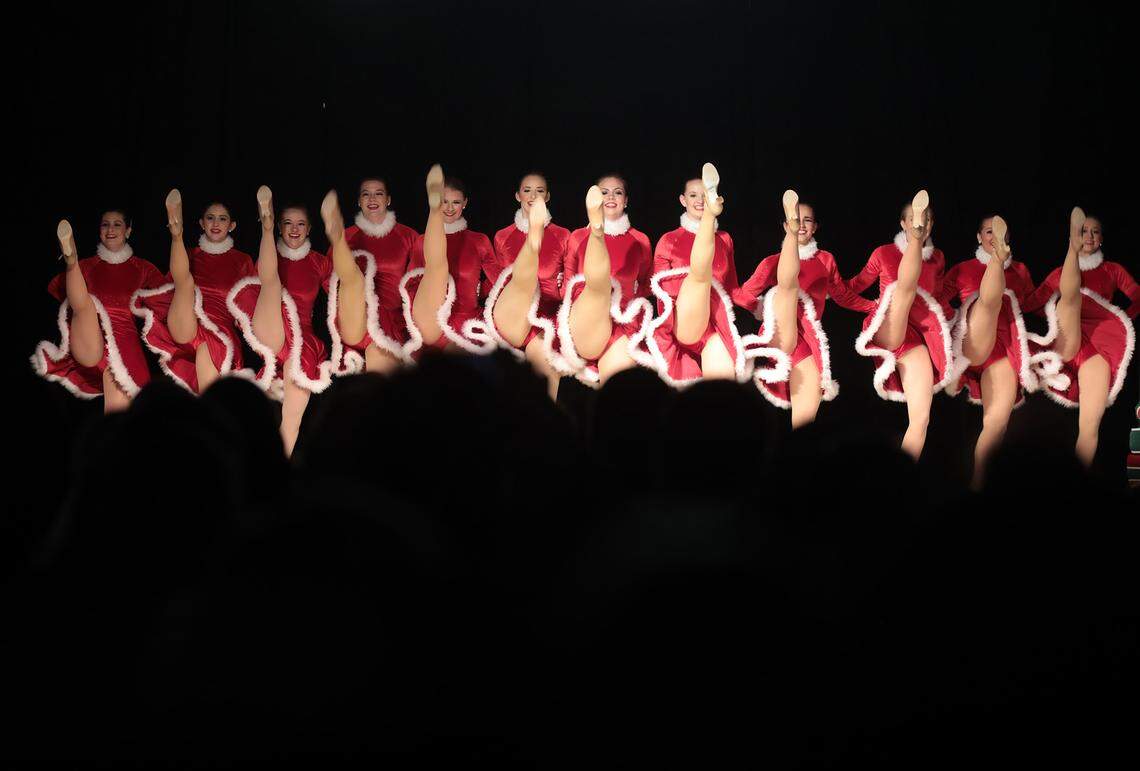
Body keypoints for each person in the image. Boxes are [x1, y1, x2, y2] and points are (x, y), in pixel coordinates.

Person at [738, 193, 875, 426]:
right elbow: (744, 295)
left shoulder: (826, 260)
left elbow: (842, 295)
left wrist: (873, 306)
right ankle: (785, 284)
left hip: (807, 340)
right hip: (781, 330)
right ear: (785, 225)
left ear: (815, 227)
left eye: (807, 220)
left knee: (805, 418)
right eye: (795, 220)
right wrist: (762, 309)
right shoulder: (773, 262)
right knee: (788, 287)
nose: (801, 225)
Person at [645, 164, 787, 389]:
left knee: (722, 392)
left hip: (714, 326)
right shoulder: (669, 240)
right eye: (694, 195)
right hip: (682, 320)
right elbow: (661, 289)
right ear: (683, 200)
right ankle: (710, 218)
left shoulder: (725, 239)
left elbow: (731, 289)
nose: (699, 200)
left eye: (705, 195)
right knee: (699, 276)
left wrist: (757, 307)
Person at [1023, 208, 1139, 466]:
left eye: (1094, 232)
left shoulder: (1112, 270)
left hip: (1099, 342)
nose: (1090, 236)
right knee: (1070, 296)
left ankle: (1078, 486)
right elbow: (1032, 302)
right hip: (1068, 331)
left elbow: (1136, 295)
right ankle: (1070, 252)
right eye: (1083, 231)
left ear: (1101, 239)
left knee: (1089, 426)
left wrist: (1122, 318)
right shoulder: (1059, 274)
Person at [227, 187, 335, 455]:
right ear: (280, 228)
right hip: (272, 328)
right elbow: (252, 294)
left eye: (300, 224)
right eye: (287, 223)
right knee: (270, 282)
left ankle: (277, 472)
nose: (295, 229)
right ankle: (265, 225)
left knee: (291, 420)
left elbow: (340, 295)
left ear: (309, 229)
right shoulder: (263, 261)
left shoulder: (319, 262)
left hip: (303, 342)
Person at [846, 191, 953, 459]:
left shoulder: (938, 258)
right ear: (904, 224)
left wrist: (956, 324)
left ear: (931, 225)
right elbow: (857, 285)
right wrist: (859, 302)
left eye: (926, 220)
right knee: (904, 289)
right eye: (915, 219)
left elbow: (938, 298)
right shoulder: (884, 253)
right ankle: (912, 249)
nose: (921, 224)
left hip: (915, 338)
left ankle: (904, 481)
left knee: (921, 418)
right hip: (889, 324)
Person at [940, 215, 1038, 487]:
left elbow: (1033, 303)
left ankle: (979, 486)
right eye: (988, 232)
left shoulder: (1020, 271)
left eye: (1000, 233)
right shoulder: (962, 269)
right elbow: (938, 298)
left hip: (1004, 349)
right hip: (974, 337)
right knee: (988, 303)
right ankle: (996, 263)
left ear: (1008, 238)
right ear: (978, 237)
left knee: (996, 425)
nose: (994, 237)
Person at [33, 212, 165, 411]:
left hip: (125, 347)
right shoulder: (88, 266)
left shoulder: (142, 268)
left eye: (117, 224)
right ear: (99, 230)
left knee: (123, 413)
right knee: (84, 304)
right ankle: (71, 260)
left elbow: (164, 297)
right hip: (89, 336)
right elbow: (55, 289)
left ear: (128, 231)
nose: (110, 229)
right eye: (105, 225)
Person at [131, 194, 256, 394]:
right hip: (185, 323)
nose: (216, 223)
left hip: (219, 333)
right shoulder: (188, 255)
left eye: (222, 218)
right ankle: (176, 233)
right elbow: (165, 290)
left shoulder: (242, 260)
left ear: (231, 225)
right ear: (201, 223)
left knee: (206, 360)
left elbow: (251, 302)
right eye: (210, 218)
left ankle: (204, 419)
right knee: (185, 282)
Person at [557, 174, 656, 386]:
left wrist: (631, 296)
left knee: (617, 392)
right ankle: (597, 232)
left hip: (622, 325)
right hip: (585, 318)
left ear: (626, 200)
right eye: (604, 192)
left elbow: (648, 282)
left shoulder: (640, 241)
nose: (611, 196)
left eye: (617, 192)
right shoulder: (577, 238)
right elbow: (567, 286)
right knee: (598, 286)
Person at [482, 172, 572, 399]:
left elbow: (571, 284)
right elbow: (498, 282)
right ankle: (532, 244)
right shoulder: (503, 236)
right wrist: (478, 288)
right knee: (520, 280)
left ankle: (544, 423)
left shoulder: (563, 235)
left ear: (548, 197)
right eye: (527, 190)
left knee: (544, 375)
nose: (533, 196)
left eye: (540, 191)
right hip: (512, 314)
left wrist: (561, 285)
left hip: (545, 320)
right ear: (517, 195)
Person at [320, 176, 418, 374]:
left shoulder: (408, 236)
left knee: (377, 355)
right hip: (355, 315)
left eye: (378, 194)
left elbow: (416, 280)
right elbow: (327, 281)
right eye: (366, 194)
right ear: (359, 201)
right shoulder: (350, 235)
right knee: (354, 280)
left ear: (388, 200)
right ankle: (339, 243)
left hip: (391, 321)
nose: (372, 199)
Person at [399, 167, 497, 357]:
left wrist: (480, 290)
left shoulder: (478, 241)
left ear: (465, 203)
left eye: (456, 202)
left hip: (465, 321)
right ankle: (433, 212)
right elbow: (412, 282)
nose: (450, 208)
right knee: (436, 271)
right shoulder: (422, 242)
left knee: (453, 365)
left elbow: (497, 277)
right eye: (443, 202)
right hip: (430, 316)